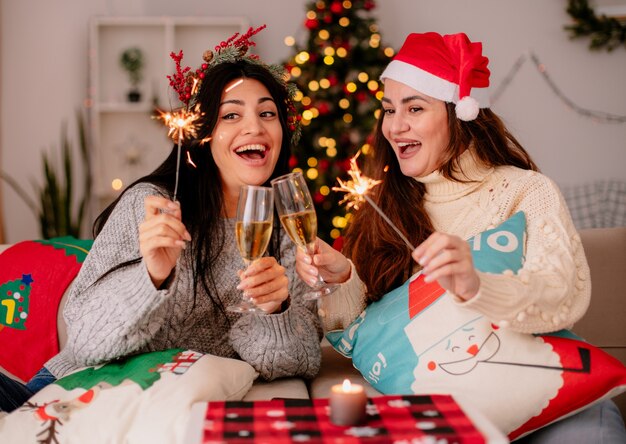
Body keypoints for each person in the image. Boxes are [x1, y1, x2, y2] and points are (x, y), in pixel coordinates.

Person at [295, 32, 626, 442]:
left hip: (551, 405)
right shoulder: (381, 205)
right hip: (445, 411)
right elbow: (360, 326)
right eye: (388, 109)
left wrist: (476, 285)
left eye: (415, 108)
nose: (395, 126)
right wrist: (343, 277)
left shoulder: (526, 192)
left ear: (460, 113)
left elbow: (561, 294)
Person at [0, 26, 322, 413]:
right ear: (202, 134)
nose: (254, 127)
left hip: (167, 403)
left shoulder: (287, 225)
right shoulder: (150, 205)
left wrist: (275, 311)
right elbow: (84, 340)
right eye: (231, 115)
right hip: (77, 394)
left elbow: (299, 360)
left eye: (267, 113)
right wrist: (149, 277)